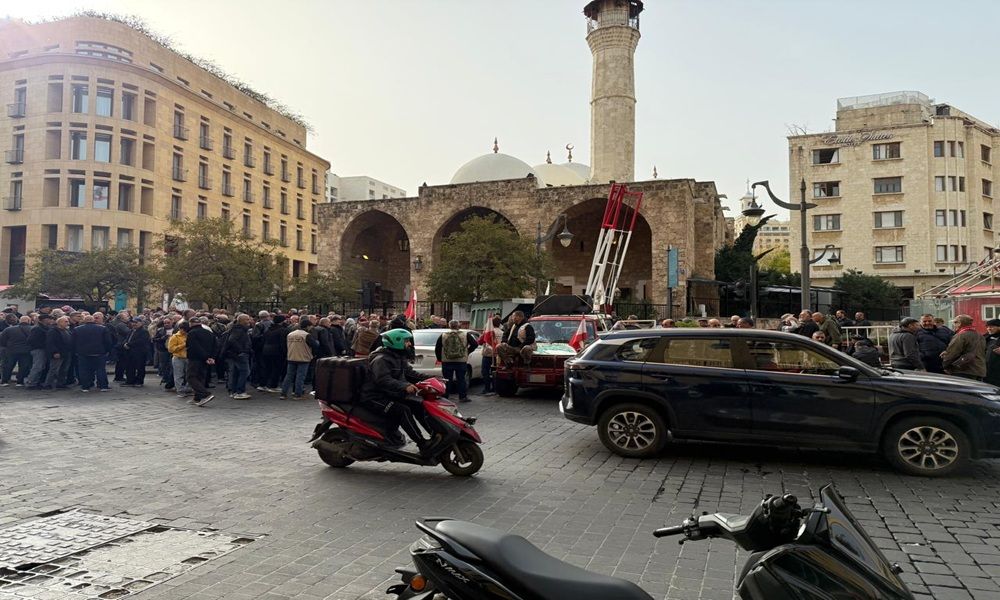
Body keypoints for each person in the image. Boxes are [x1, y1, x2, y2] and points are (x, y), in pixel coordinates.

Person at [359, 328, 434, 455]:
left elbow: (411, 373)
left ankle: (434, 435)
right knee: (403, 411)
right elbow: (383, 380)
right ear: (396, 341)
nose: (409, 344)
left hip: (389, 393)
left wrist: (432, 378)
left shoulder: (398, 357)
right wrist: (404, 386)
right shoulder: (381, 359)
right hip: (374, 397)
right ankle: (422, 443)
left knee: (418, 404)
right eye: (406, 341)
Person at [435, 320, 478, 403]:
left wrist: (440, 358)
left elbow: (438, 348)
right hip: (461, 361)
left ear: (449, 326)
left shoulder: (443, 335)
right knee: (461, 379)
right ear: (458, 326)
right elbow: (475, 344)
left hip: (447, 361)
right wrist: (467, 352)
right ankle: (462, 397)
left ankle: (445, 396)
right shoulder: (465, 334)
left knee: (447, 379)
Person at [73, 314, 114, 392]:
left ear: (84, 320)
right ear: (93, 320)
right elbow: (108, 341)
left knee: (84, 370)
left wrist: (76, 351)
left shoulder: (77, 329)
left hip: (83, 353)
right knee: (100, 369)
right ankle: (103, 386)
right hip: (99, 352)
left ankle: (85, 387)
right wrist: (107, 351)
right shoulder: (102, 328)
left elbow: (73, 342)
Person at [941, 314, 986, 381]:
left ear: (959, 323)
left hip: (963, 370)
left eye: (955, 323)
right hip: (979, 370)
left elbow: (952, 353)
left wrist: (945, 366)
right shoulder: (980, 336)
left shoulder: (961, 335)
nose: (954, 325)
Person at [185, 317, 217, 406]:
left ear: (190, 323)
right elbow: (215, 345)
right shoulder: (209, 332)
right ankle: (197, 398)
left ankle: (205, 394)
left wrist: (205, 356)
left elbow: (194, 347)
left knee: (191, 377)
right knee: (200, 377)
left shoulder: (192, 333)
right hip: (206, 359)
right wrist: (211, 357)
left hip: (195, 358)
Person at [281, 318, 313, 400]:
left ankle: (283, 393)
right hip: (303, 357)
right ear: (307, 326)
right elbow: (315, 345)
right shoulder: (306, 335)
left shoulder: (290, 334)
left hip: (291, 357)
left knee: (289, 376)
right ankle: (298, 394)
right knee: (300, 376)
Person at [222, 313, 253, 400]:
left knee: (236, 373)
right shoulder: (239, 330)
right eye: (247, 319)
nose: (249, 321)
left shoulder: (237, 329)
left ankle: (234, 391)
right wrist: (241, 350)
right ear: (242, 321)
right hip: (240, 354)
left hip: (236, 354)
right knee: (245, 372)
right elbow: (232, 340)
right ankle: (240, 391)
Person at [0, 315, 32, 386]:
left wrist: (7, 346)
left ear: (19, 321)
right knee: (23, 366)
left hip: (11, 350)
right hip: (26, 351)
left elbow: (2, 340)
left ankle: (5, 381)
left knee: (8, 366)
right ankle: (20, 381)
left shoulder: (9, 329)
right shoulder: (32, 329)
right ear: (29, 321)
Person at [43, 316, 72, 390]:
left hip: (66, 352)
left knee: (64, 369)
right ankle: (48, 384)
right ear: (59, 322)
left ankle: (61, 383)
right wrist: (55, 352)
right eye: (66, 322)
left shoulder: (67, 331)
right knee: (54, 369)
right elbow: (50, 342)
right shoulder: (53, 331)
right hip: (58, 353)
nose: (67, 323)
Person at [25, 314, 53, 389]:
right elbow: (31, 340)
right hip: (38, 350)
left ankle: (35, 382)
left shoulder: (43, 328)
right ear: (44, 320)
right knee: (38, 367)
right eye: (49, 319)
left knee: (40, 366)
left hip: (41, 349)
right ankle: (31, 383)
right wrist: (43, 345)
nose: (51, 320)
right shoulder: (37, 329)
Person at [261, 315, 288, 392]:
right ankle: (273, 385)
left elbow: (263, 339)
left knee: (267, 368)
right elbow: (283, 342)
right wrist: (285, 352)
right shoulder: (283, 330)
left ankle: (263, 384)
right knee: (277, 369)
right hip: (277, 351)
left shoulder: (268, 329)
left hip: (266, 350)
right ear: (282, 321)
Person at [122, 317, 152, 386]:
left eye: (136, 322)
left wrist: (129, 344)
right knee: (130, 367)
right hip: (130, 351)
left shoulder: (144, 331)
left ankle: (139, 381)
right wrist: (125, 344)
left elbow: (141, 341)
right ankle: (130, 381)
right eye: (133, 322)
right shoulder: (131, 331)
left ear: (141, 323)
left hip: (139, 352)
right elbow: (127, 339)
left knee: (140, 367)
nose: (134, 324)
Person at [477, 316, 503, 396]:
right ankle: (495, 388)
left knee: (485, 372)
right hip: (498, 355)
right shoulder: (502, 332)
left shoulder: (488, 331)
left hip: (488, 354)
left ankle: (487, 388)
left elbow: (480, 341)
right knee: (495, 372)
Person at [167, 320, 193, 397]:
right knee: (179, 375)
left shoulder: (189, 335)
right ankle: (180, 390)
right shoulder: (175, 337)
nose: (184, 331)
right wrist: (183, 345)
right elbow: (171, 349)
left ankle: (188, 389)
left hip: (188, 357)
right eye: (182, 329)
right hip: (178, 357)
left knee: (189, 374)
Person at [984, 319, 1000, 386]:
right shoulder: (985, 337)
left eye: (992, 327)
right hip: (986, 371)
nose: (989, 329)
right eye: (987, 327)